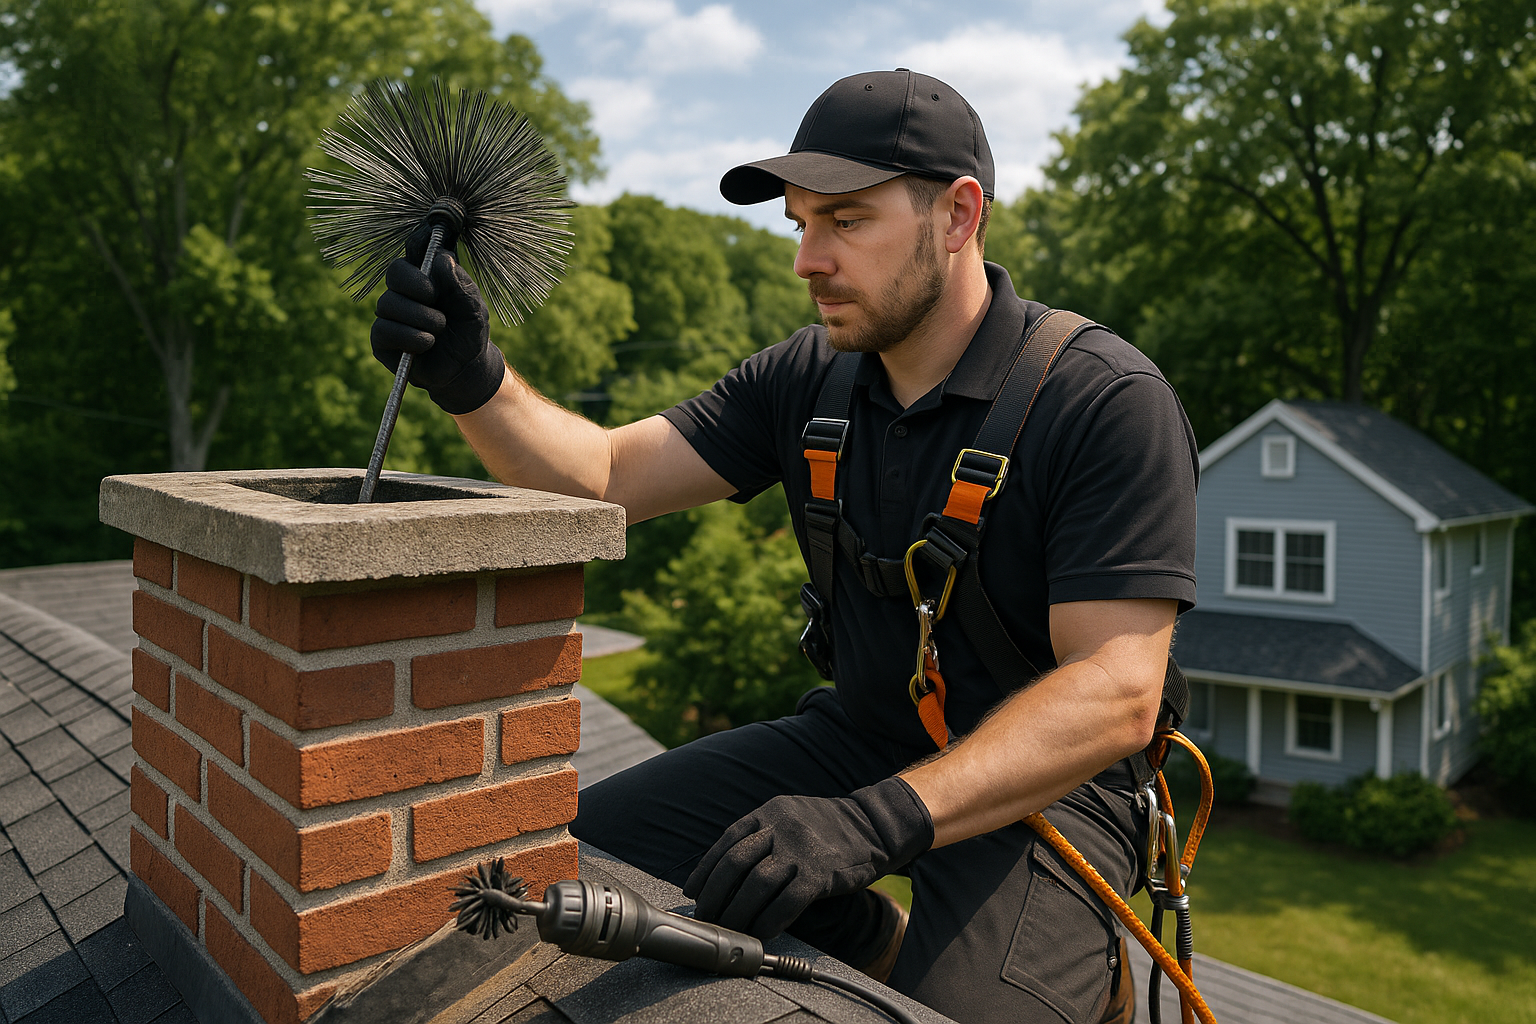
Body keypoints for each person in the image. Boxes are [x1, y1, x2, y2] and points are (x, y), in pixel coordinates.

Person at [371, 69, 1198, 1024]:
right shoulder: (812, 378)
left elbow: (1117, 694)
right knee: (590, 853)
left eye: (846, 221)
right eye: (800, 223)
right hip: (861, 740)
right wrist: (473, 374)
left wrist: (873, 823)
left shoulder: (1102, 401)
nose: (808, 258)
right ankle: (863, 939)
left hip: (1050, 793)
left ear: (959, 215)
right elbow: (605, 475)